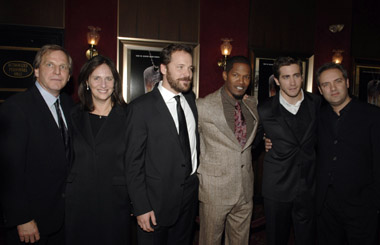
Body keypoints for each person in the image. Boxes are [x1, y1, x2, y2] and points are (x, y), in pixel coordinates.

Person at [0, 44, 74, 244]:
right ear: (36, 70)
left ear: (69, 76)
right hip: (30, 224)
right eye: (50, 65)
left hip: (63, 220)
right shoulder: (16, 108)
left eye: (63, 67)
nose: (57, 71)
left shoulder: (70, 106)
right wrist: (21, 217)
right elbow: (8, 172)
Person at [315, 63, 380, 245]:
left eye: (337, 81)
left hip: (361, 205)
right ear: (320, 90)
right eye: (326, 84)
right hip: (325, 206)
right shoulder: (318, 117)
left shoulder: (374, 116)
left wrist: (375, 204)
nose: (333, 88)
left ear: (347, 82)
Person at [125, 43, 198, 244]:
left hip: (189, 197)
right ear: (164, 69)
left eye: (190, 68)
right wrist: (140, 206)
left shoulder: (190, 100)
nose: (187, 74)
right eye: (180, 67)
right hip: (155, 203)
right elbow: (133, 164)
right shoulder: (140, 108)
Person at [65, 55, 130, 244]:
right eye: (96, 78)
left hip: (115, 203)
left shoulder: (129, 116)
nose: (103, 84)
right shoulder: (72, 115)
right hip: (78, 203)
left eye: (109, 78)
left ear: (115, 83)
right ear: (87, 81)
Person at [256, 56, 320, 245]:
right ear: (277, 80)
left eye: (296, 76)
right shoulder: (265, 109)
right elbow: (252, 143)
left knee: (308, 238)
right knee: (276, 238)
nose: (292, 82)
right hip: (277, 187)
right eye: (285, 77)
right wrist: (263, 140)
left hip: (309, 185)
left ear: (302, 77)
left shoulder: (317, 103)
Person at [197, 56, 259, 244]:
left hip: (245, 189)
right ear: (225, 75)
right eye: (236, 75)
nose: (241, 82)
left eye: (246, 77)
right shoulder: (202, 106)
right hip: (214, 190)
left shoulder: (251, 105)